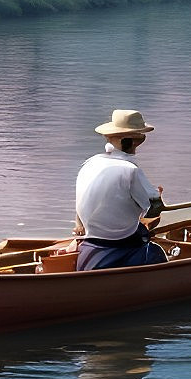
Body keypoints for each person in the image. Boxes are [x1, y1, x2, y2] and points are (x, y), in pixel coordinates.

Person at [73, 109, 165, 269]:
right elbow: (152, 207)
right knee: (156, 251)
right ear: (137, 140)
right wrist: (158, 198)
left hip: (90, 235)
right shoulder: (131, 170)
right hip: (118, 239)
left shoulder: (89, 164)